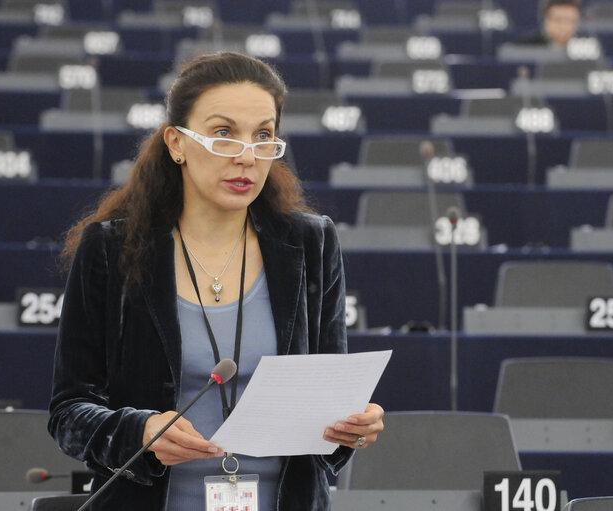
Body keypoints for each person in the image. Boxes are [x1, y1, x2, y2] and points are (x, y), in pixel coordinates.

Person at [48, 51, 385, 510]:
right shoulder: (111, 248)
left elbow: (326, 408)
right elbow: (70, 410)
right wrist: (138, 430)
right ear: (177, 143)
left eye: (263, 136)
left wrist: (350, 428)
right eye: (223, 134)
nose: (247, 156)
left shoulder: (310, 243)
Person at [516, 0, 581, 48]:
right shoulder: (525, 46)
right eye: (557, 20)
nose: (563, 27)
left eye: (569, 20)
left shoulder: (585, 46)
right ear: (546, 20)